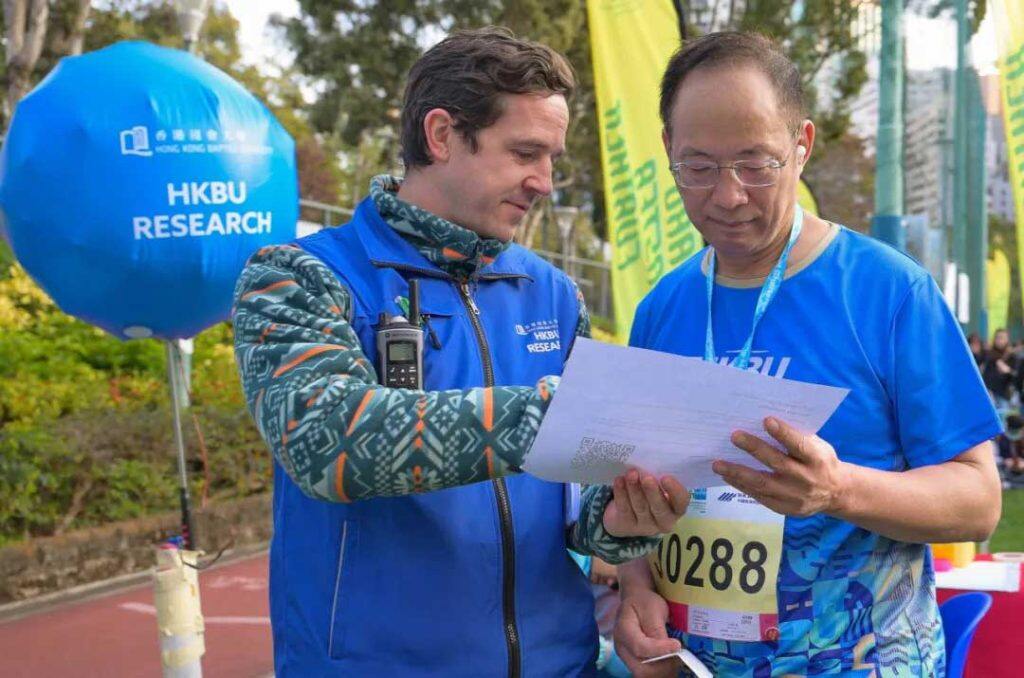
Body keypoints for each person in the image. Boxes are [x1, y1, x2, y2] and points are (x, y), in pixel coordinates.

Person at [232, 27, 688, 676]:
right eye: (526, 152)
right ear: (441, 135)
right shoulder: (298, 277)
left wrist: (624, 515)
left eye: (554, 158)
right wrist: (559, 414)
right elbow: (327, 440)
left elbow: (582, 509)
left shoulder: (556, 295)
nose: (546, 182)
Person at [614, 31, 1002, 677]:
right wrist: (635, 587)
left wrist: (836, 489)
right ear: (668, 152)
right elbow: (633, 490)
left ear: (802, 146)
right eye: (699, 167)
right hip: (695, 663)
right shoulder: (662, 308)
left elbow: (979, 499)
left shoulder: (888, 292)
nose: (728, 195)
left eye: (755, 164)